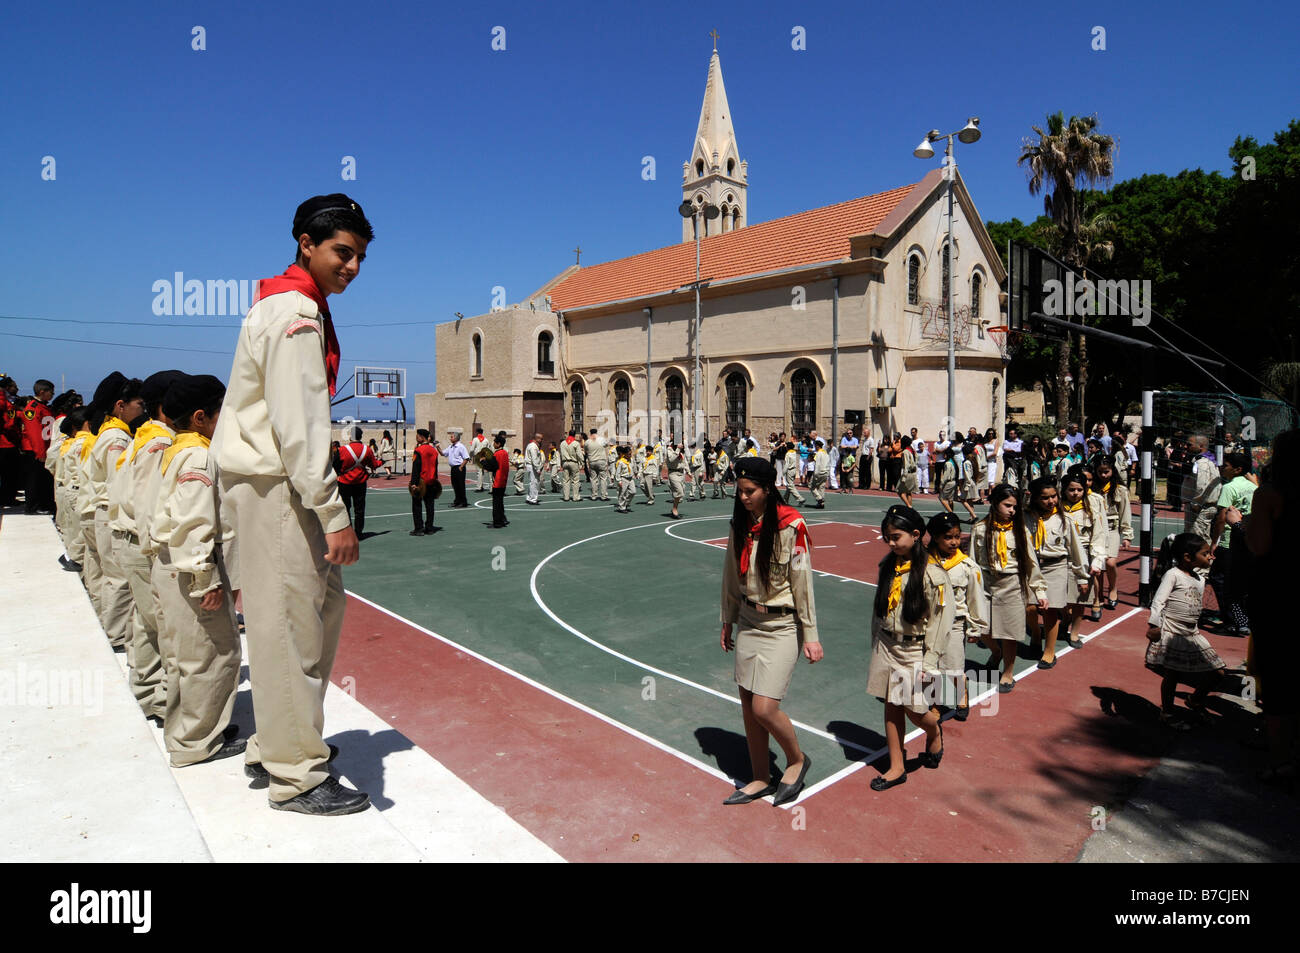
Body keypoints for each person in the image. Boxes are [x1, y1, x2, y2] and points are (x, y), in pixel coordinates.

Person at [214, 192, 370, 815]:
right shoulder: (296, 310)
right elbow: (301, 424)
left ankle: (275, 745)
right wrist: (333, 515)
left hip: (273, 485)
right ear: (306, 243)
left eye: (359, 255)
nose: (352, 265)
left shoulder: (288, 303)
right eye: (342, 251)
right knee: (290, 627)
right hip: (280, 488)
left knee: (309, 617)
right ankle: (296, 775)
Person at [151, 374, 246, 766]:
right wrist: (204, 579)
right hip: (190, 569)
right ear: (200, 416)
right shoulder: (200, 456)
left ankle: (190, 728)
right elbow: (194, 523)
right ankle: (196, 742)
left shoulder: (177, 449)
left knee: (182, 656)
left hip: (169, 565)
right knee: (213, 655)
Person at [719, 456, 820, 806]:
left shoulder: (791, 526)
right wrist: (727, 618)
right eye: (740, 491)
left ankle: (796, 759)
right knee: (748, 704)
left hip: (780, 625)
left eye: (750, 492)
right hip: (749, 621)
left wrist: (811, 635)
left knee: (764, 707)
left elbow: (802, 582)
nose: (743, 497)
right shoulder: (740, 524)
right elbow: (731, 576)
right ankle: (760, 776)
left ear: (768, 489)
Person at [112, 369, 185, 721]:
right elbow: (152, 505)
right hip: (147, 544)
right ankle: (166, 704)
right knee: (166, 630)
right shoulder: (162, 443)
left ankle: (147, 693)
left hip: (132, 540)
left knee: (147, 624)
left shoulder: (145, 436)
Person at [866, 505, 953, 791]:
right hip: (887, 643)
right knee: (891, 705)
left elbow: (940, 622)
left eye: (895, 537)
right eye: (886, 538)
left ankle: (933, 728)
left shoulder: (932, 574)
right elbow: (879, 609)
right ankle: (897, 766)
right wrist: (875, 640)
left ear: (916, 535)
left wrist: (930, 661)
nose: (890, 543)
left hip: (912, 649)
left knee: (915, 710)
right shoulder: (889, 565)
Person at [1244, 430, 1298, 782]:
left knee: (1278, 678)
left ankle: (1281, 761)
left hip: (1280, 595)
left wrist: (1244, 524)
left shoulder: (1271, 494)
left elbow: (1260, 547)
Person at [84, 372, 146, 651]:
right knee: (119, 579)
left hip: (104, 511)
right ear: (121, 405)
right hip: (111, 512)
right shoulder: (117, 437)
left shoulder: (109, 432)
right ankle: (116, 636)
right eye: (138, 404)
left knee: (111, 576)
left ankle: (110, 629)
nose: (141, 409)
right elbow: (117, 480)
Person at [1144, 534, 1229, 728]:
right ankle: (1167, 712)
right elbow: (1158, 601)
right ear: (1188, 557)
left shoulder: (1199, 578)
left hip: (1192, 633)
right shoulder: (1173, 575)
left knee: (1218, 672)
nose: (1210, 557)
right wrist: (1154, 625)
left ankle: (1195, 700)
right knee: (1172, 675)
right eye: (1205, 553)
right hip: (1173, 632)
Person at [971, 484, 1048, 692]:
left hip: (1012, 584)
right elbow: (972, 562)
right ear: (994, 503)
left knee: (1009, 633)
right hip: (986, 583)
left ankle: (1007, 672)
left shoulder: (1020, 531)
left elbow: (1031, 562)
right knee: (981, 629)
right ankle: (995, 652)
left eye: (1014, 507)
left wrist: (1039, 591)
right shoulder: (979, 529)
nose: (1012, 510)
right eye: (1007, 505)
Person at [927, 511, 988, 721]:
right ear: (935, 537)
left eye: (957, 536)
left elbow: (975, 599)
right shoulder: (924, 563)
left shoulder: (967, 566)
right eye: (948, 537)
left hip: (954, 625)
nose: (954, 542)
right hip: (929, 625)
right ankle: (934, 703)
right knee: (930, 669)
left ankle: (962, 696)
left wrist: (976, 627)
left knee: (954, 668)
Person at [1023, 477, 1089, 668]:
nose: (1051, 501)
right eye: (1045, 498)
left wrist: (1081, 576)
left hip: (1055, 566)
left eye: (1054, 496)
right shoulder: (1025, 518)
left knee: (1050, 610)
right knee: (1031, 608)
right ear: (1034, 498)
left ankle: (1049, 651)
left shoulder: (1064, 520)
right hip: (1032, 567)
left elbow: (1077, 550)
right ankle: (1036, 633)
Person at [1208, 451, 1255, 634]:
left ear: (1237, 469)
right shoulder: (1252, 487)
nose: (1222, 468)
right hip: (1247, 538)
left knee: (1220, 580)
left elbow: (1221, 518)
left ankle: (1231, 620)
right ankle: (1242, 619)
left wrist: (1214, 542)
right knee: (1241, 582)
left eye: (1226, 465)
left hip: (1230, 541)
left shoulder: (1229, 488)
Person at [1059, 471, 1106, 647]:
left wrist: (1097, 561)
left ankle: (1075, 632)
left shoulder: (1091, 510)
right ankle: (1065, 619)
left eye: (1079, 489)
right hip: (1061, 556)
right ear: (1064, 490)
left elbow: (1098, 537)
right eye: (1071, 489)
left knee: (1080, 597)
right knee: (1060, 597)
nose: (1075, 493)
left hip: (1084, 556)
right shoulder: (1057, 509)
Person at [1093, 458, 1133, 610]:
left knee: (1110, 562)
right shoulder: (1093, 489)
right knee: (1098, 565)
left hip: (1112, 528)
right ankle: (1099, 595)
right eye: (1100, 472)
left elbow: (1125, 512)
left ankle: (1113, 588)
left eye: (1106, 472)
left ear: (1112, 471)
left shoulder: (1119, 489)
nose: (1103, 475)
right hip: (1097, 530)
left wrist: (1127, 535)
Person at [337, 426, 381, 537]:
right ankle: (359, 532)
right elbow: (374, 465)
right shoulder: (367, 449)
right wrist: (381, 462)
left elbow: (336, 466)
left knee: (345, 508)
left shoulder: (342, 450)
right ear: (361, 436)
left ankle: (347, 531)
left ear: (350, 437)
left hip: (344, 483)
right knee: (359, 509)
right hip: (360, 483)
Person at [20, 379, 56, 513]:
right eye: (50, 392)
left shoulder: (44, 407)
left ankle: (43, 504)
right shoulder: (32, 409)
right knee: (34, 480)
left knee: (44, 479)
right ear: (42, 392)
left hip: (45, 449)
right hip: (35, 450)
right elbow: (34, 433)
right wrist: (40, 452)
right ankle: (33, 506)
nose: (52, 395)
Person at [1181, 436, 1221, 543]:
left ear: (1201, 446)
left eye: (1189, 444)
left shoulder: (1202, 463)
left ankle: (1204, 558)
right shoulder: (1207, 460)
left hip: (1200, 507)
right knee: (1199, 536)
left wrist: (1196, 503)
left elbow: (1202, 484)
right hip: (1203, 505)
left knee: (1197, 538)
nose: (1186, 447)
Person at [409, 429, 439, 535]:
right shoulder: (434, 451)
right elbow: (436, 467)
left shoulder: (419, 450)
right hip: (431, 481)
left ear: (422, 437)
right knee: (430, 506)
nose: (416, 437)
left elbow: (416, 468)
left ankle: (419, 528)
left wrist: (413, 483)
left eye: (418, 436)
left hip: (421, 482)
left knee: (417, 505)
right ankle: (429, 528)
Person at [443, 429, 469, 507]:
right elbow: (443, 453)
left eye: (451, 437)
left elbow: (466, 458)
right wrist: (437, 447)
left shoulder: (461, 446)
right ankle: (457, 501)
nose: (450, 438)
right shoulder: (451, 446)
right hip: (453, 468)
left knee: (461, 485)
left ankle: (463, 502)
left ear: (456, 438)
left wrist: (461, 467)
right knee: (455, 485)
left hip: (459, 468)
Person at [489, 432, 510, 528]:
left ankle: (497, 522)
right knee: (500, 502)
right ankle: (502, 519)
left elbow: (492, 467)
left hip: (497, 481)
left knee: (496, 503)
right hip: (503, 480)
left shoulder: (497, 454)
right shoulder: (505, 453)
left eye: (494, 442)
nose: (493, 444)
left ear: (498, 444)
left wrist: (483, 461)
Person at [586, 428, 610, 501]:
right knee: (603, 478)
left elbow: (585, 449)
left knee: (593, 479)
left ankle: (594, 496)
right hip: (601, 460)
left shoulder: (587, 441)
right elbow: (606, 445)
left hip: (592, 461)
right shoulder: (601, 439)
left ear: (590, 433)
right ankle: (603, 496)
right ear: (596, 432)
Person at [559, 430, 583, 501]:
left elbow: (561, 454)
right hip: (573, 462)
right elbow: (579, 454)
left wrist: (561, 463)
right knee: (575, 480)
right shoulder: (576, 443)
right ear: (575, 435)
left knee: (565, 480)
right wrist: (582, 462)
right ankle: (575, 497)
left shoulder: (563, 443)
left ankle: (566, 497)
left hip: (565, 462)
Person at [664, 441, 686, 519]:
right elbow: (671, 459)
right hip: (673, 473)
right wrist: (677, 449)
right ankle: (674, 509)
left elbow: (684, 462)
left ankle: (674, 508)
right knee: (679, 492)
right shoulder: (670, 449)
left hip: (681, 473)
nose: (682, 444)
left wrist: (689, 472)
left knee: (681, 493)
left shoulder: (681, 451)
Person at [895, 435, 918, 507]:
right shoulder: (913, 451)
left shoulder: (905, 452)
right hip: (913, 473)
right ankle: (909, 509)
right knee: (908, 492)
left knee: (899, 490)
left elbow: (906, 465)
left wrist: (904, 477)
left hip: (908, 474)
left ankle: (909, 506)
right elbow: (916, 461)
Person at [613, 445, 635, 513]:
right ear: (625, 454)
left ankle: (626, 503)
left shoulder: (631, 460)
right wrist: (619, 480)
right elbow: (618, 472)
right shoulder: (621, 462)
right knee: (622, 493)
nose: (630, 455)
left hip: (630, 478)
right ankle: (622, 507)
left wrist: (636, 473)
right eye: (629, 454)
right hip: (624, 478)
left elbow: (633, 467)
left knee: (633, 492)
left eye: (631, 453)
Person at [809, 438, 830, 508]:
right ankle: (821, 503)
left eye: (815, 446)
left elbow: (817, 464)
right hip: (825, 472)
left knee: (811, 486)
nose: (814, 447)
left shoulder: (818, 454)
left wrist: (815, 474)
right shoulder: (826, 453)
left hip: (819, 472)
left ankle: (819, 499)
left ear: (817, 446)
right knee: (821, 487)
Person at [469, 427, 489, 492]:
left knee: (479, 472)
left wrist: (470, 456)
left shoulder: (475, 439)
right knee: (482, 472)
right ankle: (481, 485)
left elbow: (472, 449)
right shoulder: (486, 440)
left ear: (477, 432)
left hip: (477, 456)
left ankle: (479, 487)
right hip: (483, 457)